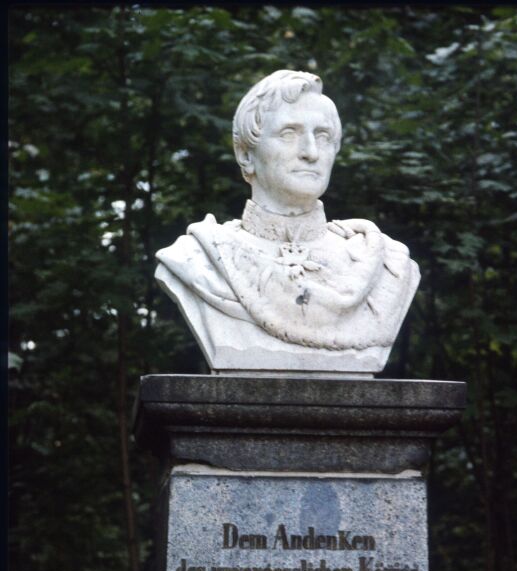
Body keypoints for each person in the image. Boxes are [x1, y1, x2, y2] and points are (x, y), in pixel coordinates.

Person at [155, 70, 420, 372]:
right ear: (246, 155)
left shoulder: (384, 264)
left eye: (322, 136)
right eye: (289, 134)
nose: (310, 152)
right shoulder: (197, 259)